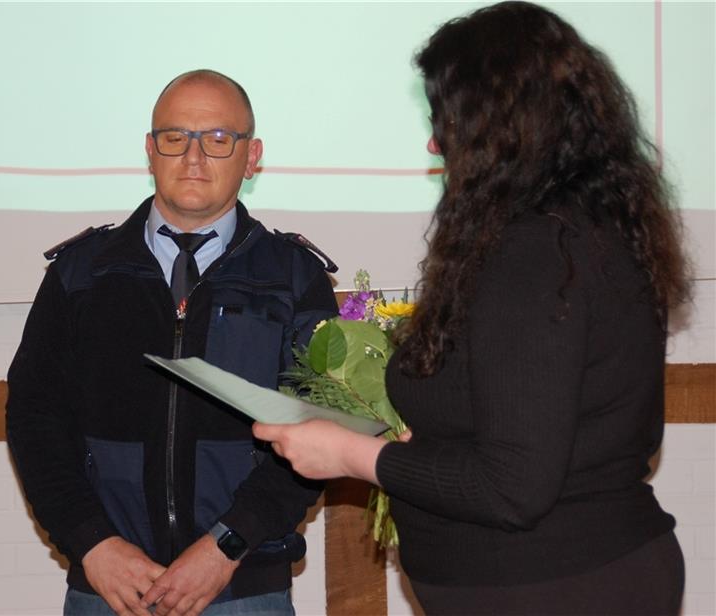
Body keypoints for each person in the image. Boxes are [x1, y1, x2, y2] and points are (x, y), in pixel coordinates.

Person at [253, 3, 690, 614]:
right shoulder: (592, 230)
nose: (434, 142)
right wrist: (426, 443)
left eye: (445, 119)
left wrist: (350, 454)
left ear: (495, 127)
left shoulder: (537, 253)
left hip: (552, 589)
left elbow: (513, 488)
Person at [6, 69, 338, 616]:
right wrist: (93, 542)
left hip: (244, 588)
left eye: (218, 139)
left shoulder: (294, 277)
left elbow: (317, 430)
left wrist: (228, 545)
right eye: (175, 137)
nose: (194, 156)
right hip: (110, 587)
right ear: (150, 149)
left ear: (251, 156)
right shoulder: (82, 274)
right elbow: (35, 418)